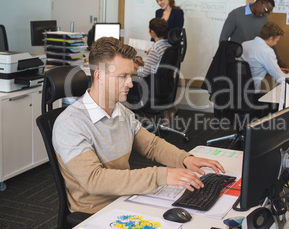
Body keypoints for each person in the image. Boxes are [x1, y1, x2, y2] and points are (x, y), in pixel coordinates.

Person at [52, 37, 225, 214]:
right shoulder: (71, 123)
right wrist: (161, 176)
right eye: (122, 77)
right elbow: (94, 180)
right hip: (97, 212)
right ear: (99, 76)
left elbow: (152, 145)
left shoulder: (121, 111)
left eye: (130, 76)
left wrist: (185, 159)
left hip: (126, 199)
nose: (130, 83)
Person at [219, 0, 289, 71]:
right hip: (237, 62)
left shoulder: (264, 19)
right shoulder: (235, 14)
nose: (265, 14)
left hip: (254, 64)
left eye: (268, 12)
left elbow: (270, 40)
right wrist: (224, 59)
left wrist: (279, 60)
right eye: (266, 10)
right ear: (259, 3)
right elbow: (223, 38)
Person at [134, 18, 177, 123]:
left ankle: (135, 123)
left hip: (153, 87)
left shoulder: (155, 49)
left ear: (152, 32)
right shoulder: (169, 46)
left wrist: (134, 65)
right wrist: (143, 64)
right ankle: (167, 120)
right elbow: (159, 67)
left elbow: (144, 73)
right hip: (166, 86)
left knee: (131, 83)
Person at [241, 22, 289, 94]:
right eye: (277, 40)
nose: (276, 43)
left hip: (239, 88)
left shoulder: (244, 44)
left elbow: (253, 67)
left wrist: (276, 69)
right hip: (253, 92)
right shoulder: (267, 51)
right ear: (271, 38)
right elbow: (280, 79)